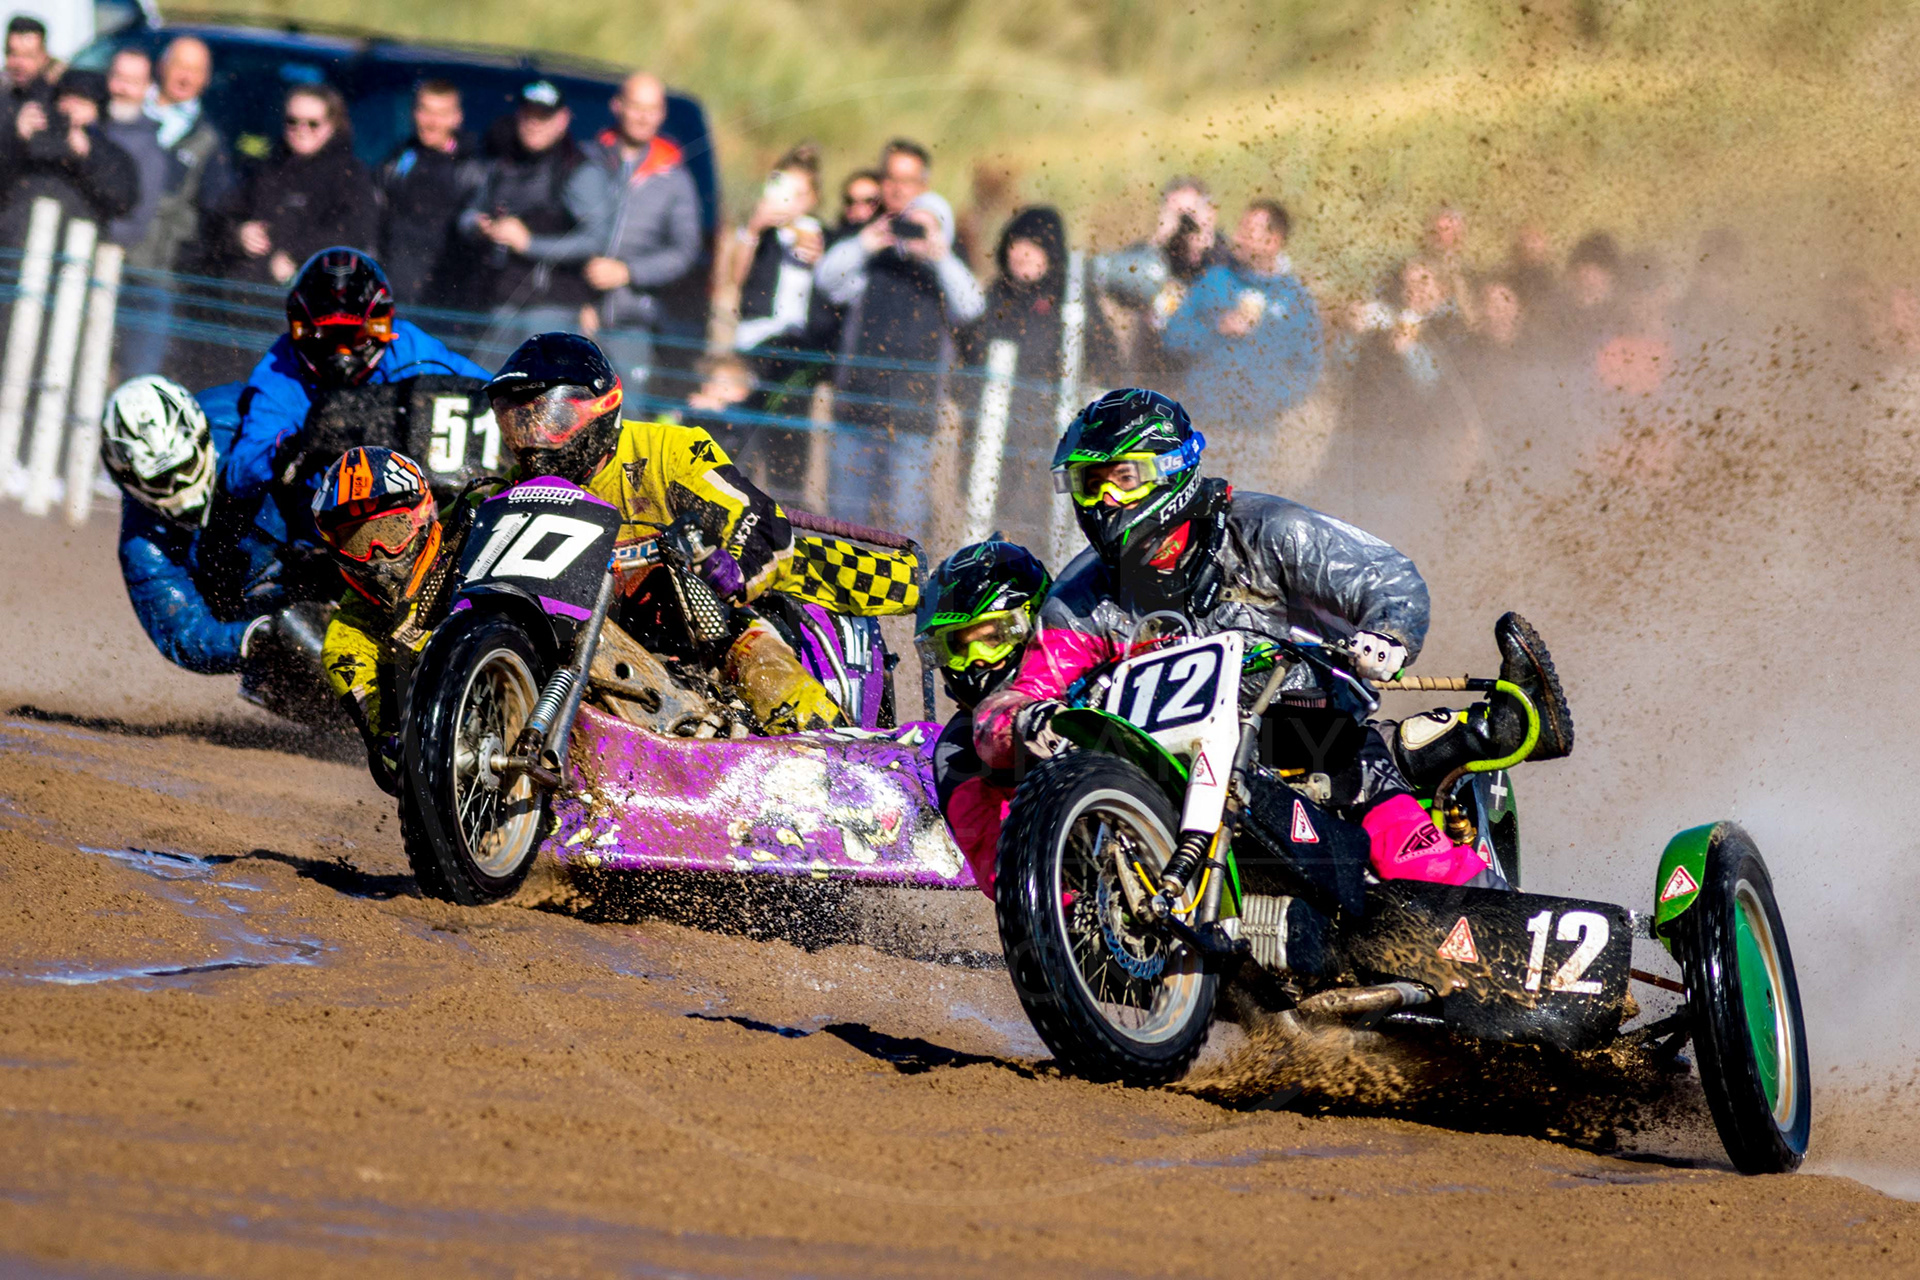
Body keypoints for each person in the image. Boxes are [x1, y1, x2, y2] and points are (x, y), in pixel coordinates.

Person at [971, 388, 1575, 889]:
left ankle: (1492, 785)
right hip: (1177, 769)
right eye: (1087, 482)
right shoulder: (1079, 600)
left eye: (1121, 479)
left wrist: (1387, 635)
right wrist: (1020, 723)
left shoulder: (1266, 531)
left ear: (1171, 470)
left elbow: (1386, 576)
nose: (1102, 499)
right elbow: (1025, 693)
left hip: (1314, 736)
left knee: (1412, 860)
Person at [482, 331, 849, 734]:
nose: (534, 441)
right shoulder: (506, 494)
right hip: (568, 649)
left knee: (760, 663)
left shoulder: (668, 451)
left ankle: (835, 760)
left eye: (552, 421)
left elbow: (755, 516)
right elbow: (440, 540)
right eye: (518, 424)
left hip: (701, 641)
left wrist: (733, 564)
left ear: (601, 406)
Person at [102, 375, 335, 713]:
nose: (181, 485)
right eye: (161, 480)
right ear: (129, 480)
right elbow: (184, 632)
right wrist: (257, 637)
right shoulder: (143, 547)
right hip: (264, 609)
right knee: (293, 648)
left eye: (185, 466)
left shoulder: (245, 414)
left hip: (324, 545)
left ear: (200, 435)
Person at [222, 248, 490, 507]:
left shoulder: (409, 348)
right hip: (316, 532)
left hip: (420, 513)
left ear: (381, 327)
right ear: (302, 329)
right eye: (326, 335)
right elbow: (240, 474)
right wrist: (297, 447)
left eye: (355, 336)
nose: (342, 353)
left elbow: (491, 393)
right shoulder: (281, 369)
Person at [813, 138, 985, 535]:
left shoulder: (944, 250)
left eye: (908, 180)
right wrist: (864, 242)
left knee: (904, 531)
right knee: (842, 525)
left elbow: (972, 306)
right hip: (855, 408)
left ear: (924, 184)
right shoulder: (869, 247)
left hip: (913, 415)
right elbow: (828, 281)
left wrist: (937, 253)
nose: (897, 189)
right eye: (890, 178)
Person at [312, 445, 473, 791]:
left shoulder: (473, 523)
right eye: (359, 540)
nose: (377, 555)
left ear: (422, 516)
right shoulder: (346, 640)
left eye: (390, 531)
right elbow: (391, 764)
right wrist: (391, 740)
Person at [916, 540, 1050, 896]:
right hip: (1066, 907)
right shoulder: (956, 750)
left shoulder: (1090, 665)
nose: (978, 659)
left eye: (993, 637)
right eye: (961, 646)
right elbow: (1000, 872)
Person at [575, 71, 705, 393]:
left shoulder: (674, 178)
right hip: (573, 312)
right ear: (617, 106)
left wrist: (628, 272)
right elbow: (563, 227)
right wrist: (576, 294)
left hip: (633, 320)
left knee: (627, 419)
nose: (643, 117)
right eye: (635, 106)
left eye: (652, 109)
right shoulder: (586, 159)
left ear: (661, 114)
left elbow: (685, 251)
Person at [1161, 200, 1321, 429]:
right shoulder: (1214, 280)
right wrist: (1215, 330)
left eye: (1247, 233)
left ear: (1273, 241)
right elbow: (1173, 336)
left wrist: (1270, 401)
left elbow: (1308, 368)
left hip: (1256, 435)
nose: (1236, 239)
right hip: (1199, 425)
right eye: (1239, 230)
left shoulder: (1295, 300)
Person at [459, 80, 594, 349]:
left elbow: (595, 240)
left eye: (543, 117)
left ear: (562, 120)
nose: (533, 123)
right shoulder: (502, 164)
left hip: (550, 310)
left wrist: (528, 243)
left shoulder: (577, 171)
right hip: (498, 304)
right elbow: (466, 216)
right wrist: (479, 226)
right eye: (528, 115)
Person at [220, 83, 376, 286]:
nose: (301, 130)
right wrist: (240, 233)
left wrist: (298, 256)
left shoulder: (350, 176)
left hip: (311, 301)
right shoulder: (267, 167)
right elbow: (224, 214)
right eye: (292, 121)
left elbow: (353, 233)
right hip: (244, 297)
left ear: (332, 125)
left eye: (313, 124)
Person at [375, 79, 484, 309]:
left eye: (442, 113)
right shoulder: (398, 161)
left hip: (445, 298)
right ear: (414, 113)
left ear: (457, 117)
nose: (432, 122)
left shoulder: (472, 169)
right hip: (394, 290)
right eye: (426, 111)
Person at [0, 68, 138, 248]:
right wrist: (16, 137)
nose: (70, 108)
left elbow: (122, 201)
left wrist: (87, 154)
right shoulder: (32, 141)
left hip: (73, 251)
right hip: (16, 245)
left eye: (81, 102)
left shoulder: (111, 154)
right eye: (65, 100)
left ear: (97, 109)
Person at [99, 49, 168, 251]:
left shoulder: (150, 151)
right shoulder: (89, 124)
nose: (122, 89)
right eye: (118, 78)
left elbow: (137, 224)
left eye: (133, 82)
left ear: (148, 88)